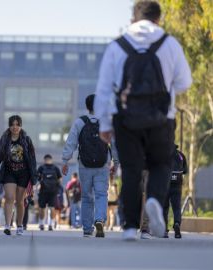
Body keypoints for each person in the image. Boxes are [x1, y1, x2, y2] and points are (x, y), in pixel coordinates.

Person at [94, 1, 192, 240]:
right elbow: (185, 82)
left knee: (131, 171)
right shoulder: (169, 43)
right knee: (160, 164)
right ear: (159, 19)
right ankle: (155, 202)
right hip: (161, 118)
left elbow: (104, 88)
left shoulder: (118, 46)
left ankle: (129, 227)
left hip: (126, 119)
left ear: (133, 19)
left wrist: (104, 126)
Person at [62, 94, 119, 238]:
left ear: (87, 107)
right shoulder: (106, 123)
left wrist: (65, 160)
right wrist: (116, 162)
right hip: (103, 165)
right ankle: (99, 219)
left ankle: (87, 228)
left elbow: (71, 143)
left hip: (84, 165)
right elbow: (114, 145)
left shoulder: (80, 122)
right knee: (101, 194)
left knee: (86, 197)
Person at [0, 115, 37, 236]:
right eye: (12, 124)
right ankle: (7, 225)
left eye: (17, 124)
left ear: (20, 126)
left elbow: (32, 160)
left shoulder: (26, 140)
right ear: (9, 126)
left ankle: (19, 225)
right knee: (9, 197)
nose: (15, 127)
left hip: (23, 173)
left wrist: (34, 177)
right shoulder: (4, 140)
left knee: (20, 201)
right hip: (9, 172)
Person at [163, 144, 187, 239]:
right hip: (177, 185)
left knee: (165, 208)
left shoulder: (163, 155)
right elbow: (185, 170)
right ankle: (177, 224)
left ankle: (164, 230)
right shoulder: (180, 155)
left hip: (165, 184)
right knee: (176, 208)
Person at [37, 154, 62, 231]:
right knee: (52, 208)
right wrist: (57, 187)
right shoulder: (55, 168)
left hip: (43, 191)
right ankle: (50, 224)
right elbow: (60, 179)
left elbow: (37, 178)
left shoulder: (41, 168)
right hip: (53, 191)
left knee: (42, 207)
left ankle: (41, 224)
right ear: (51, 159)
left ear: (44, 160)